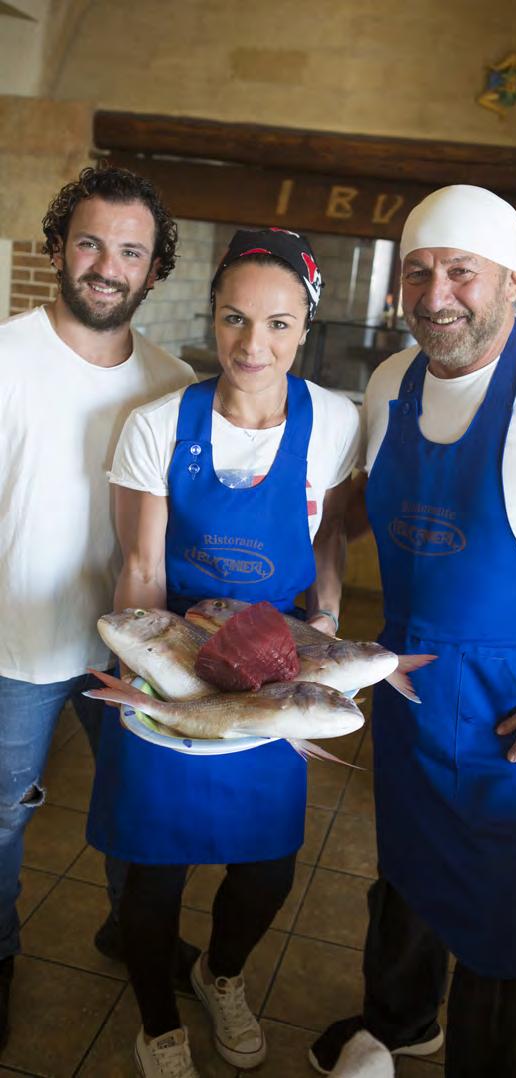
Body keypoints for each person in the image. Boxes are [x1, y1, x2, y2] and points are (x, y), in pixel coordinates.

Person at [86, 226, 360, 1078]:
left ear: (305, 329)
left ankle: (222, 973)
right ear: (213, 317)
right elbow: (138, 568)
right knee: (153, 876)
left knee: (268, 867)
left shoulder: (337, 422)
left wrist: (329, 623)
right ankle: (158, 1021)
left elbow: (330, 538)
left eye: (278, 324)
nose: (253, 344)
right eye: (235, 319)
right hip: (172, 662)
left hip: (275, 675)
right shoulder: (157, 425)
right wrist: (161, 689)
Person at [309, 185, 516, 1078]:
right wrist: (321, 599)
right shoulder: (389, 382)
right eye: (418, 271)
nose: (436, 293)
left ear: (512, 283)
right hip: (408, 694)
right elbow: (358, 507)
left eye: (461, 272)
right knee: (406, 877)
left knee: (508, 930)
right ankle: (400, 1021)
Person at [0, 164, 198, 1052]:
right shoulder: (5, 356)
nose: (107, 266)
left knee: (139, 801)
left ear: (154, 270)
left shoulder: (174, 380)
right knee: (2, 816)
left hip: (130, 645)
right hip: (14, 641)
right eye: (90, 243)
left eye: (130, 251)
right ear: (57, 248)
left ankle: (135, 933)